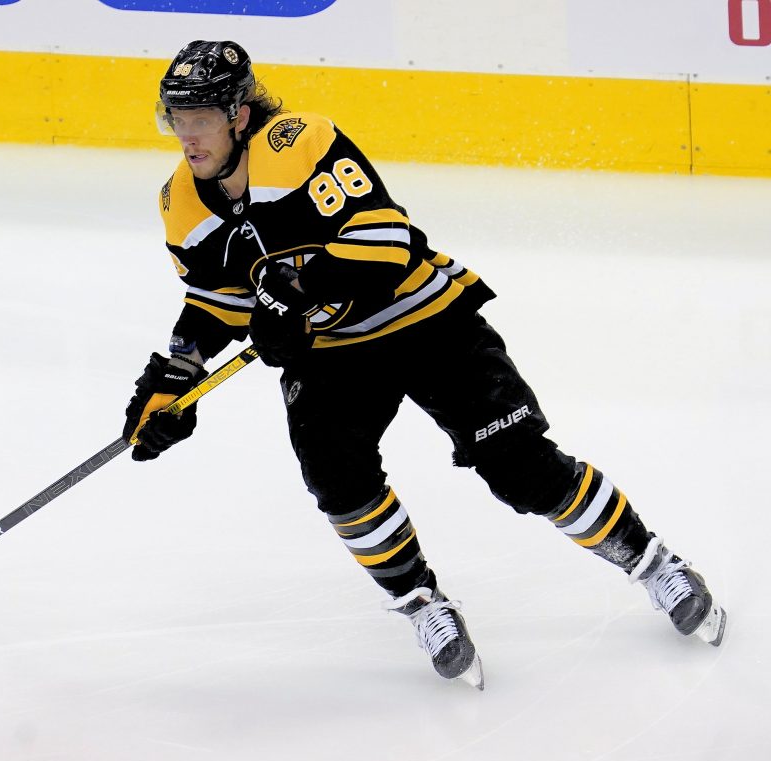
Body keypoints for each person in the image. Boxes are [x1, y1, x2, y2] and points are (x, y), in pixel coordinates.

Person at [122, 40, 727, 690]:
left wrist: (290, 293)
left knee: (523, 469)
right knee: (337, 481)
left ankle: (653, 561)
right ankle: (420, 603)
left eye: (202, 119)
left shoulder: (300, 144)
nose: (187, 138)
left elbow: (386, 243)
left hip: (424, 319)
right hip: (334, 355)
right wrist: (175, 376)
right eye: (176, 120)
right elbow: (214, 302)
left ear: (239, 115)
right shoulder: (180, 203)